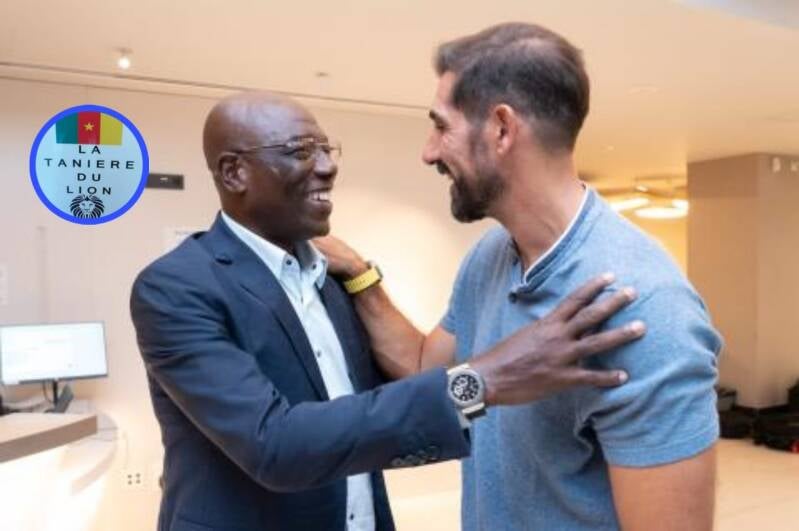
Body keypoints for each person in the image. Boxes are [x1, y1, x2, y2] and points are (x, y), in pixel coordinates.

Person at [129, 91, 644, 531]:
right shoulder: (176, 288)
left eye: (326, 149)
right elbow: (276, 445)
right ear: (234, 172)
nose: (327, 166)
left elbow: (384, 406)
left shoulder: (334, 278)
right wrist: (485, 378)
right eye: (301, 151)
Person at [317, 22, 722, 531]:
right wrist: (360, 275)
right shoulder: (491, 255)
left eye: (441, 127)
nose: (429, 151)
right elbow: (424, 368)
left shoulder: (643, 307)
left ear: (502, 129)